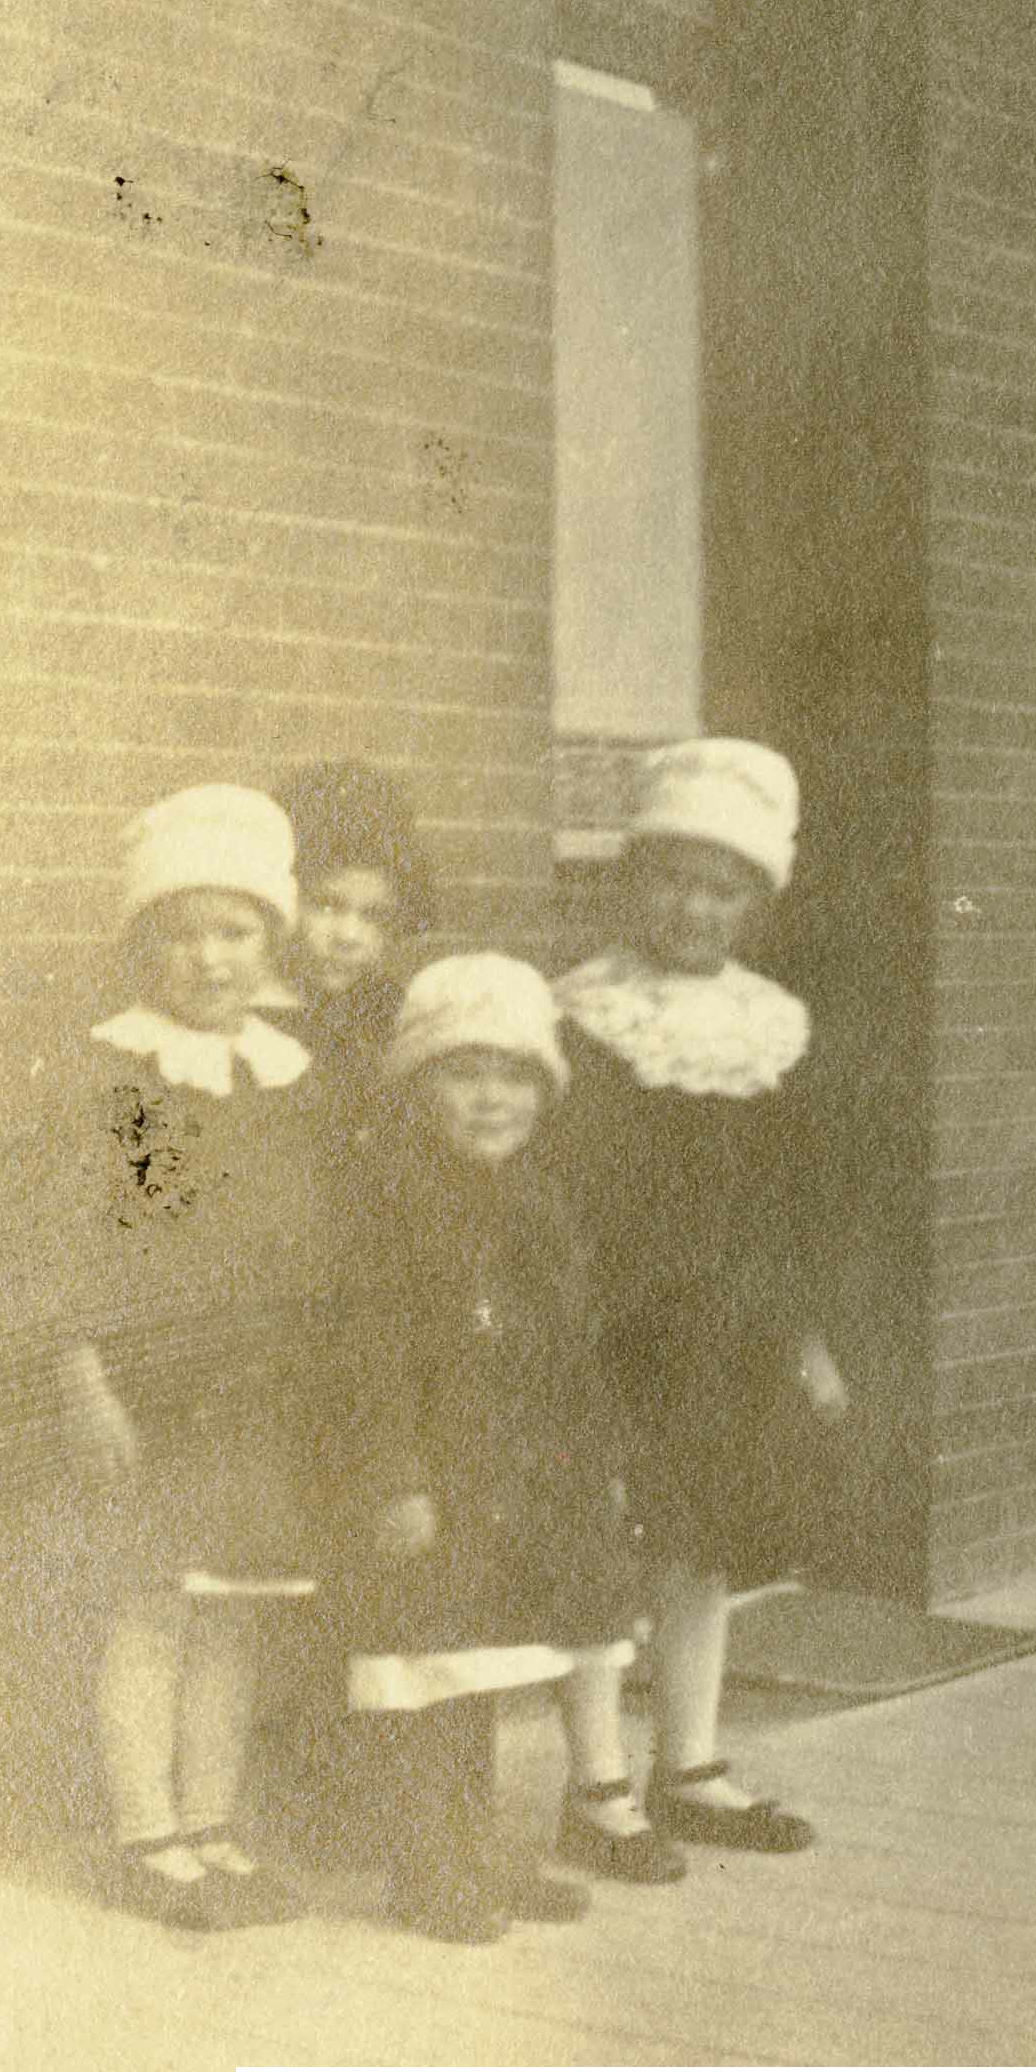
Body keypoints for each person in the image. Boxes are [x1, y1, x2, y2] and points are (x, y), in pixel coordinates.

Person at [0, 783, 335, 1931]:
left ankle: (213, 1823)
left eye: (234, 932)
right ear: (144, 947)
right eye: (181, 933)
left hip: (257, 1397)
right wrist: (85, 1385)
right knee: (149, 1609)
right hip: (151, 1398)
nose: (208, 959)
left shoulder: (283, 1076)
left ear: (268, 944)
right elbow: (69, 1247)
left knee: (233, 1610)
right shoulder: (125, 1080)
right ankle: (147, 1834)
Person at [554, 739, 849, 1877]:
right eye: (673, 877)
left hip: (725, 1334)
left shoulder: (771, 1028)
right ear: (634, 881)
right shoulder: (583, 1016)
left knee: (704, 1545)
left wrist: (806, 1338)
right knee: (597, 1545)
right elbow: (559, 1194)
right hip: (609, 1328)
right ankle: (594, 1785)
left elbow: (794, 1203)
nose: (694, 906)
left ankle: (689, 1763)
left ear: (753, 906)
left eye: (722, 888)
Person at [339, 955, 643, 1946]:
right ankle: (427, 1867)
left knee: (489, 1666)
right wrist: (396, 1476)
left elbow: (570, 1345)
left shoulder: (536, 1202)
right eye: (464, 1073)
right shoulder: (390, 1200)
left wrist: (590, 1460)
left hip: (519, 1473)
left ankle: (480, 1849)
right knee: (433, 1678)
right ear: (419, 1085)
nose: (490, 1097)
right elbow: (371, 1350)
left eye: (514, 1077)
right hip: (435, 1472)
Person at [270, 760, 436, 1102]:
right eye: (327, 906)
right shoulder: (245, 1016)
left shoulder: (390, 1014)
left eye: (374, 916)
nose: (348, 936)